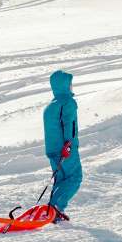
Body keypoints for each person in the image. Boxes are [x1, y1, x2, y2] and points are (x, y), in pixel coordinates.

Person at [43, 70, 81, 220]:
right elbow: (69, 124)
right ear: (65, 85)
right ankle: (56, 208)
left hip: (52, 149)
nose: (72, 86)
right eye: (70, 83)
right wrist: (69, 145)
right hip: (65, 149)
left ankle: (52, 212)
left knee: (61, 180)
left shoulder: (50, 107)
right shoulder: (68, 103)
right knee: (74, 177)